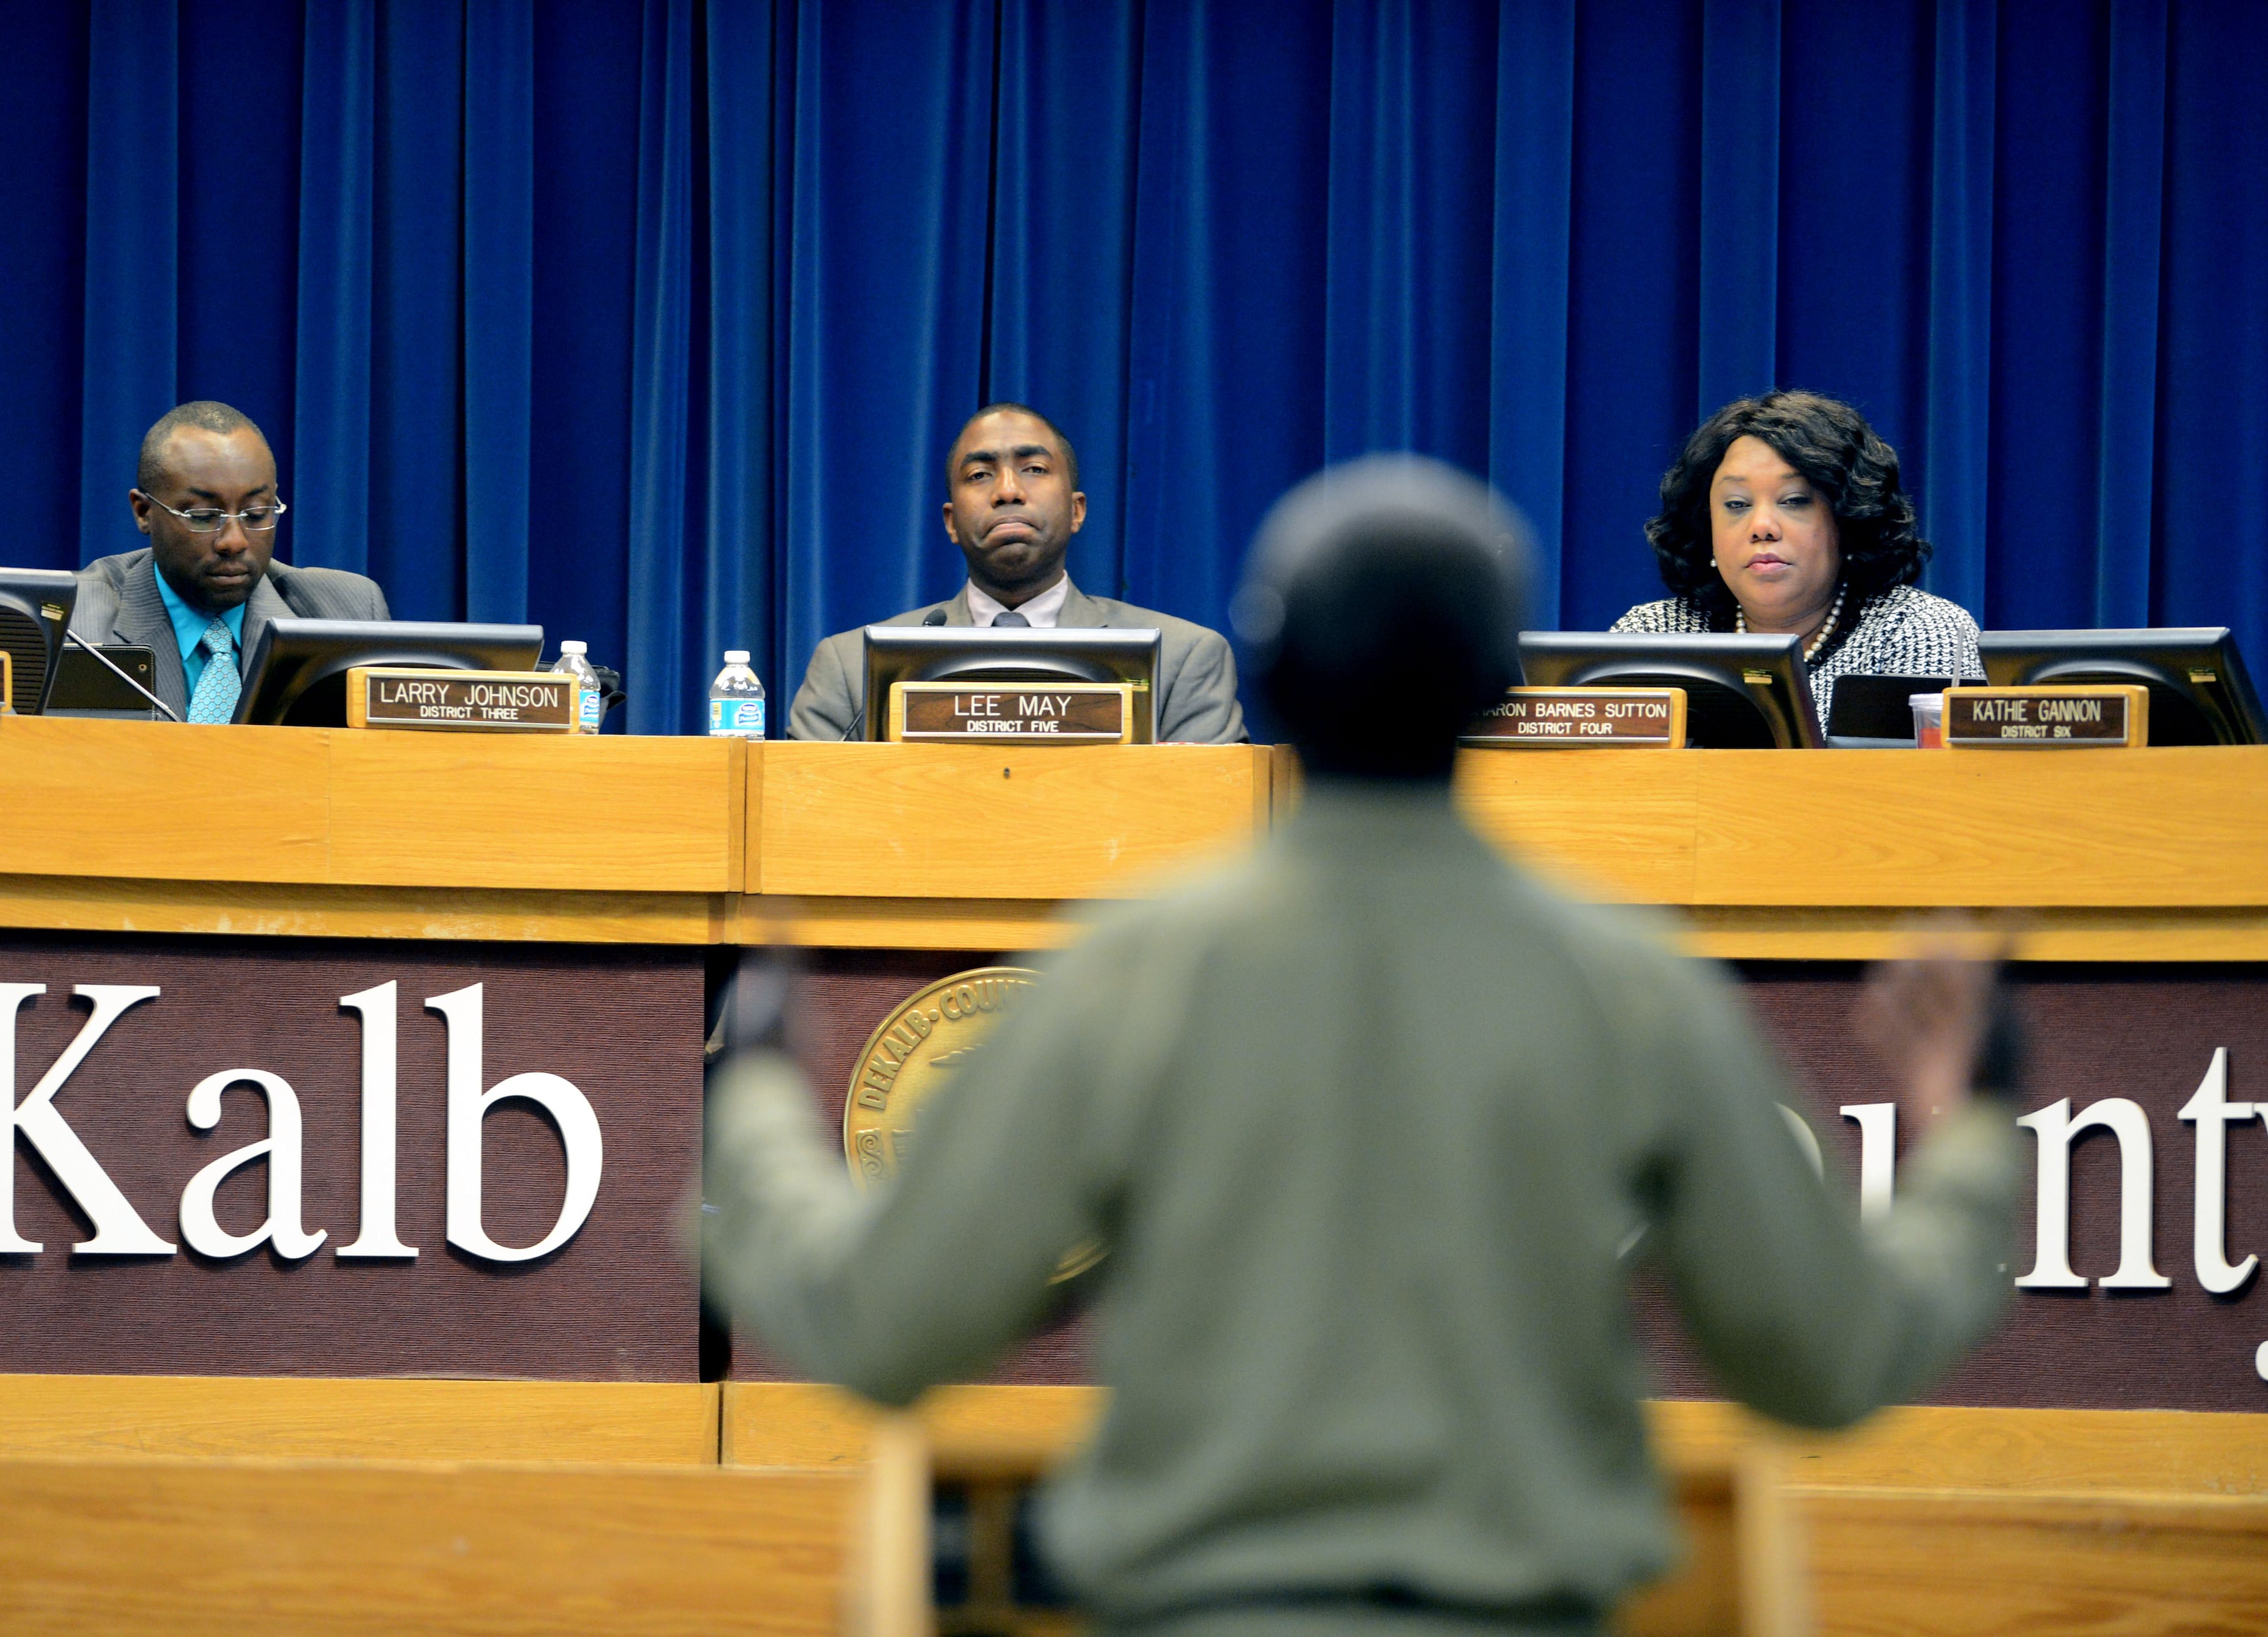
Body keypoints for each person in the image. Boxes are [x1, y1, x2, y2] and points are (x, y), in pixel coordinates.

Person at [701, 455, 2023, 1637]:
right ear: (1504, 691)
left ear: (1264, 677)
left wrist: (760, 1097)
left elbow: (882, 1325)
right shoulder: (1630, 986)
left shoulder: (1136, 969)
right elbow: (1830, 1357)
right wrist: (1968, 1138)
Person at [784, 403, 1245, 742]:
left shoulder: (1182, 660)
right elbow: (803, 823)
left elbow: (1211, 837)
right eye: (980, 475)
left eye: (1034, 469)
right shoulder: (849, 668)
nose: (1008, 491)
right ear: (949, 521)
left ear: (1077, 510)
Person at [1613, 389, 1984, 728]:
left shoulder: (1917, 630)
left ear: (1848, 518)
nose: (1761, 527)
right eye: (1737, 505)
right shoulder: (1653, 636)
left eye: (1794, 501)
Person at [70, 402, 390, 722]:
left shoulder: (350, 616)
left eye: (255, 514)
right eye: (204, 517)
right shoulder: (72, 626)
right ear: (143, 511)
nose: (234, 541)